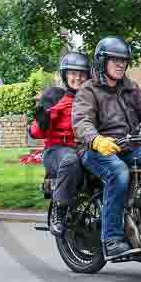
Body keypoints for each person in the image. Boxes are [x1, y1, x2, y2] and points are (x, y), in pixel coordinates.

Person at [72, 37, 141, 260]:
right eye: (115, 60)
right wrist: (97, 140)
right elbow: (81, 122)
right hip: (96, 149)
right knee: (119, 173)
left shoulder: (130, 88)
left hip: (131, 146)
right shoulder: (88, 90)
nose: (121, 64)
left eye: (124, 61)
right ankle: (111, 239)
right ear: (102, 62)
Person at [29, 52, 91, 237]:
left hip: (85, 148)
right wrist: (46, 115)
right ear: (65, 75)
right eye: (73, 73)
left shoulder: (91, 98)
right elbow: (36, 132)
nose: (77, 77)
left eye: (82, 74)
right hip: (58, 149)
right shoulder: (55, 96)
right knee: (70, 160)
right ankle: (59, 210)